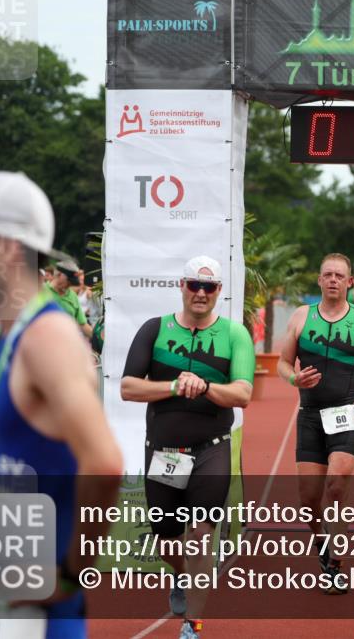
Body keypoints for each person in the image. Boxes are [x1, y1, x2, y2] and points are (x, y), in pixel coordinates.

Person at [0, 170, 122, 638]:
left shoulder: (46, 338)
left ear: (5, 247)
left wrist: (69, 574)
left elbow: (105, 463)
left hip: (40, 614)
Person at [121, 255, 255, 639]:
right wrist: (175, 386)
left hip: (211, 448)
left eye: (208, 287)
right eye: (194, 285)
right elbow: (128, 387)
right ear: (181, 286)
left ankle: (192, 625)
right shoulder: (155, 329)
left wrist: (206, 386)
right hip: (165, 452)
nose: (200, 293)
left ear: (219, 291)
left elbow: (243, 394)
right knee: (167, 540)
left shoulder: (234, 334)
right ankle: (181, 576)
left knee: (199, 535)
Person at [278, 253, 354, 594]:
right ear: (319, 280)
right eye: (327, 274)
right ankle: (322, 543)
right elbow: (283, 363)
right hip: (310, 415)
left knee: (336, 484)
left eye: (339, 275)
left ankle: (335, 564)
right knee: (308, 499)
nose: (333, 279)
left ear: (349, 282)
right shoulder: (301, 317)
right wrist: (293, 379)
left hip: (348, 413)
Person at [45, 259, 93, 339]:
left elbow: (82, 324)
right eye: (68, 281)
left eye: (72, 283)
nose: (70, 285)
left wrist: (99, 339)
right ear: (59, 274)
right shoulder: (40, 291)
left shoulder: (73, 296)